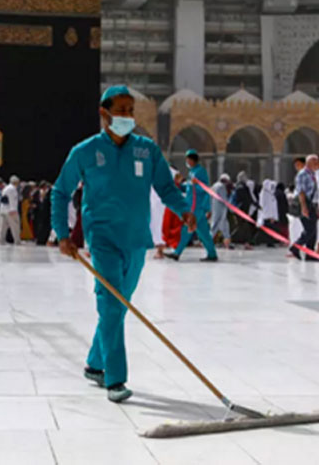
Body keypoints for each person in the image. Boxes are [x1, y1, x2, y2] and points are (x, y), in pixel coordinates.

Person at [52, 85, 195, 403]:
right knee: (111, 304)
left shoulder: (146, 150)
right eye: (121, 110)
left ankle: (94, 363)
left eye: (131, 111)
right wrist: (62, 233)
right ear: (104, 113)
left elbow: (165, 188)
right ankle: (115, 379)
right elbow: (60, 192)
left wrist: (183, 210)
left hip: (136, 239)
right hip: (102, 239)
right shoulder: (85, 151)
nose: (127, 116)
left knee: (116, 307)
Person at [165, 150, 217, 262]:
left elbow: (204, 188)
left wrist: (206, 207)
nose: (187, 162)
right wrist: (181, 184)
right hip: (191, 206)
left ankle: (177, 253)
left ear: (193, 160)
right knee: (200, 232)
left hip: (196, 207)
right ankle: (211, 253)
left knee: (190, 230)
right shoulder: (192, 172)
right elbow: (189, 188)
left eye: (188, 159)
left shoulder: (200, 172)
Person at [290, 154, 319, 261]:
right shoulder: (302, 174)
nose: (316, 164)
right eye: (314, 162)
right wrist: (304, 207)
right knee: (309, 230)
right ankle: (295, 246)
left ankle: (310, 254)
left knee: (313, 231)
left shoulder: (312, 174)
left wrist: (317, 206)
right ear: (309, 162)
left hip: (312, 203)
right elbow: (301, 192)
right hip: (305, 203)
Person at [231, 171, 256, 247]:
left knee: (242, 225)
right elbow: (245, 198)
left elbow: (248, 198)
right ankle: (232, 239)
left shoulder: (241, 186)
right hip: (241, 210)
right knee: (243, 226)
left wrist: (256, 204)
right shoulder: (240, 187)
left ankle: (232, 239)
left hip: (242, 209)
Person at [210, 173, 232, 248]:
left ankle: (209, 241)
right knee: (222, 225)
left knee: (215, 225)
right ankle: (226, 242)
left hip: (214, 207)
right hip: (221, 208)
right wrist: (231, 207)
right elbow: (224, 199)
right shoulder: (221, 186)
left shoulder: (214, 185)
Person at [0, 175, 22, 245]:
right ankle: (17, 241)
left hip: (3, 210)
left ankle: (1, 241)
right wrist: (13, 210)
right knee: (15, 227)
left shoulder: (6, 188)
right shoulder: (12, 189)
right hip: (10, 211)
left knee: (3, 227)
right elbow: (12, 199)